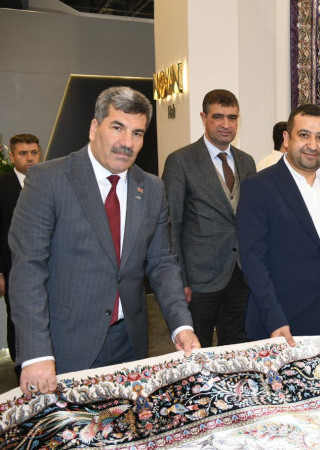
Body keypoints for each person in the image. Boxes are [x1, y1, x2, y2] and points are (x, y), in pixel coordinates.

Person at [9, 87, 200, 396]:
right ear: (94, 128)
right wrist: (36, 352)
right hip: (63, 345)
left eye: (137, 133)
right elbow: (28, 268)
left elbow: (162, 262)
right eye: (117, 127)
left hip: (130, 342)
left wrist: (181, 325)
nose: (127, 143)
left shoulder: (152, 188)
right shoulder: (49, 180)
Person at [237, 104, 320, 344]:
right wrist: (274, 318)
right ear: (287, 139)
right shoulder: (259, 186)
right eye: (304, 135)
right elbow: (253, 262)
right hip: (280, 322)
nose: (313, 145)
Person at [163, 89, 256, 348]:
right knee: (196, 349)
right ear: (203, 118)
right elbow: (171, 226)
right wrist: (179, 280)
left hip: (240, 274)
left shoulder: (246, 161)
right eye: (218, 117)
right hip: (198, 279)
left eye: (232, 117)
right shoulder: (180, 161)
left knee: (237, 346)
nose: (226, 124)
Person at [0, 133, 41, 377]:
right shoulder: (2, 186)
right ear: (12, 156)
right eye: (23, 153)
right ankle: (20, 366)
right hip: (12, 264)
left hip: (47, 262)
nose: (30, 158)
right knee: (17, 313)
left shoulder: (49, 181)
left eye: (34, 152)